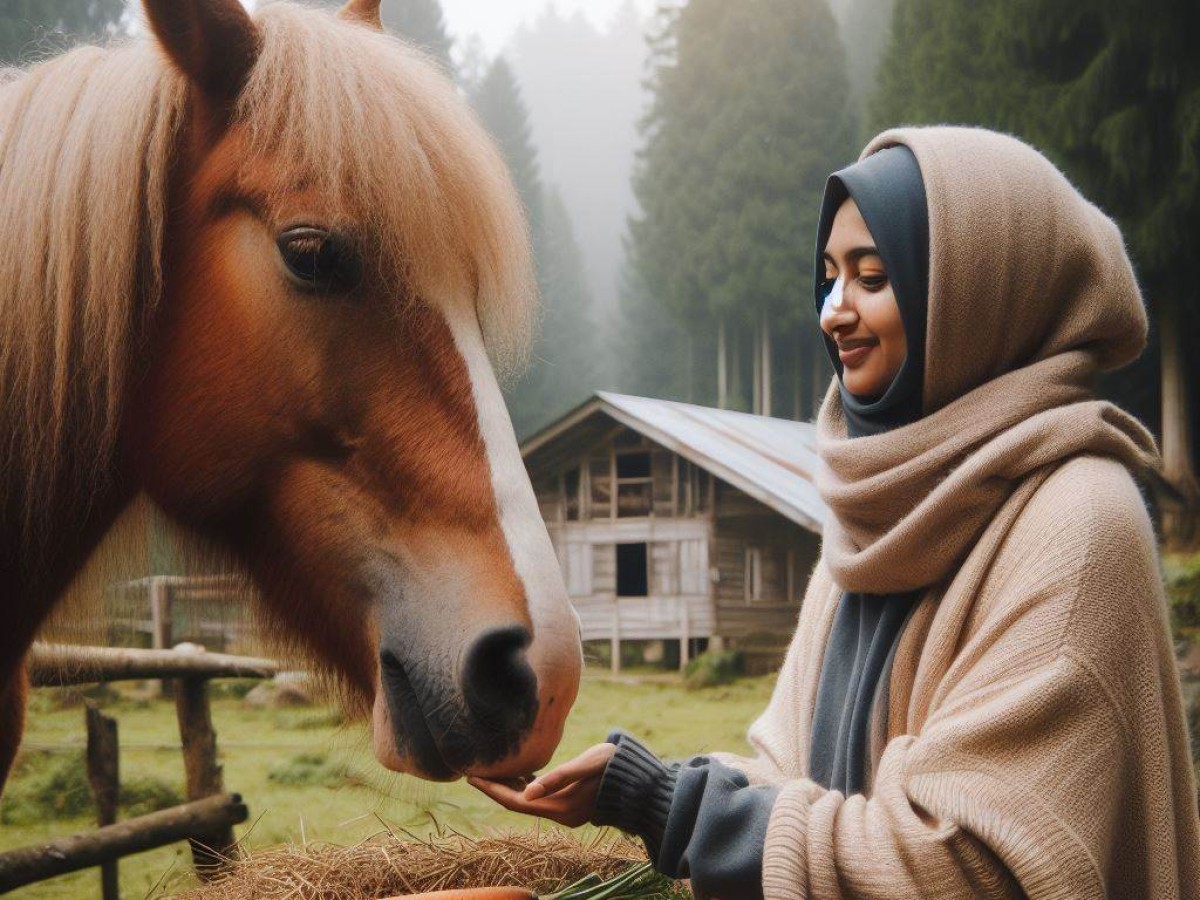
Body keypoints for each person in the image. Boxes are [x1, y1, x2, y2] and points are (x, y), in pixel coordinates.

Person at [470, 126, 1200, 898]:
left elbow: (968, 865)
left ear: (976, 296)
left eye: (874, 276)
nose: (832, 312)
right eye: (828, 277)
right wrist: (644, 783)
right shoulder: (870, 512)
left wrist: (677, 805)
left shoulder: (1078, 523)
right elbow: (795, 778)